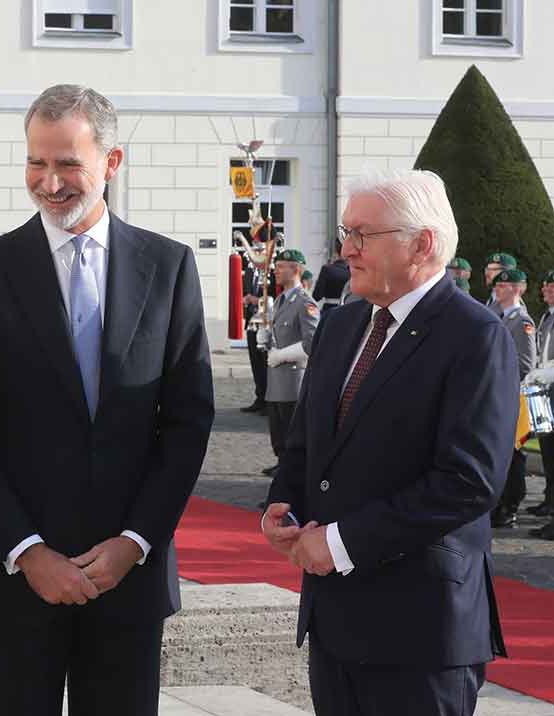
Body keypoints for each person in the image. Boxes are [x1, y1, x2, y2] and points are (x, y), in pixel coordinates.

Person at [0, 84, 215, 716]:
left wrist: (135, 542)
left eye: (67, 163)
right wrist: (27, 552)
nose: (49, 181)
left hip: (129, 584)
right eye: (37, 161)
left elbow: (188, 423)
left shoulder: (168, 268)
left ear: (112, 163)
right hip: (16, 583)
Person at [262, 170, 514, 716]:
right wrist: (284, 504)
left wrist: (339, 542)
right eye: (345, 232)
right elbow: (309, 441)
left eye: (362, 234)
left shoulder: (474, 335)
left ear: (421, 244)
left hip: (419, 629)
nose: (345, 249)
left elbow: (468, 482)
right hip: (335, 621)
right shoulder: (342, 324)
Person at [264, 249, 319, 477]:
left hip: (293, 379)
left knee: (290, 433)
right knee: (278, 433)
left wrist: (283, 355)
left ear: (295, 269)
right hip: (276, 379)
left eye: (281, 267)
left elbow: (313, 341)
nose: (276, 271)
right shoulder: (280, 300)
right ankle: (281, 464)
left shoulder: (305, 302)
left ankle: (288, 474)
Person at [489, 268, 536, 529]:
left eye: (505, 286)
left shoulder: (522, 321)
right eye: (497, 285)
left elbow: (525, 363)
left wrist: (497, 377)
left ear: (518, 289)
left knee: (515, 453)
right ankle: (501, 503)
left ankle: (511, 506)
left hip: (513, 395)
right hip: (499, 394)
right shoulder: (499, 316)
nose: (498, 289)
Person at [526, 270, 554, 530]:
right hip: (544, 389)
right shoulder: (547, 316)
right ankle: (549, 500)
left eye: (550, 285)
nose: (545, 289)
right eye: (545, 285)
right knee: (547, 447)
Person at [241, 242, 274, 414]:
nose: (257, 254)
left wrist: (256, 299)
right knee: (255, 361)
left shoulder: (272, 272)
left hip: (267, 323)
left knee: (266, 362)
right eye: (255, 250)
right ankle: (260, 397)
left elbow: (275, 296)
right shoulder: (249, 272)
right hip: (252, 321)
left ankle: (269, 400)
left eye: (261, 250)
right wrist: (245, 300)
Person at [312, 250, 349, 315]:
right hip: (346, 311)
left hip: (328, 310)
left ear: (336, 254)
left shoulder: (326, 269)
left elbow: (317, 296)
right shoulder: (350, 272)